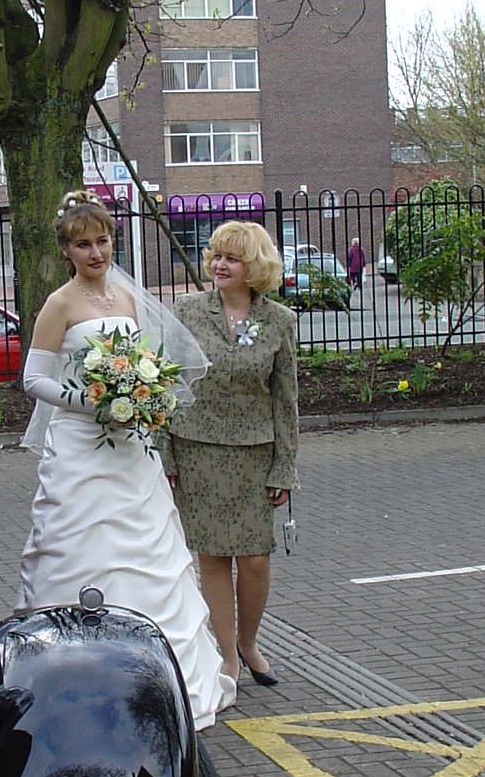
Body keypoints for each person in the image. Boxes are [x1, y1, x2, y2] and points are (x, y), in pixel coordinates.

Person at [17, 192, 236, 728]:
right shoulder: (59, 305)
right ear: (66, 251)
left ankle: (165, 680)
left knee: (150, 549)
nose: (96, 253)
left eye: (103, 241)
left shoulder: (127, 298)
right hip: (80, 448)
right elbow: (33, 379)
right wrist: (90, 402)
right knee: (81, 544)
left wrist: (142, 397)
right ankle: (73, 680)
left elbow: (148, 363)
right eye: (83, 245)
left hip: (130, 446)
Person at [166, 221, 298, 688]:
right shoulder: (187, 310)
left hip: (254, 456)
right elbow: (168, 384)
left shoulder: (279, 320)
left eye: (232, 259)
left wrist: (285, 467)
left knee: (255, 558)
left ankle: (248, 641)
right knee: (214, 557)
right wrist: (167, 458)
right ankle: (227, 655)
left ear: (254, 267)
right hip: (197, 450)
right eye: (216, 256)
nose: (220, 265)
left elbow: (285, 399)